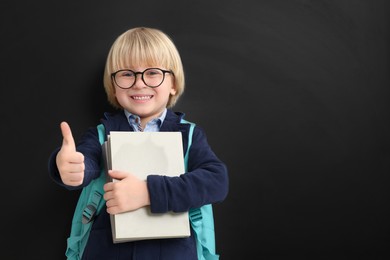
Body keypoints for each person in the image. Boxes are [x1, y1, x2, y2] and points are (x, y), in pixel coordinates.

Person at [48, 27, 229, 260]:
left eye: (153, 72)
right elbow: (86, 163)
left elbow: (217, 181)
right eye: (127, 73)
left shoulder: (189, 135)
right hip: (107, 251)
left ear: (173, 83)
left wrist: (147, 193)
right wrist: (70, 168)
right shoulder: (101, 134)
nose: (139, 83)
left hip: (174, 252)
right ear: (114, 85)